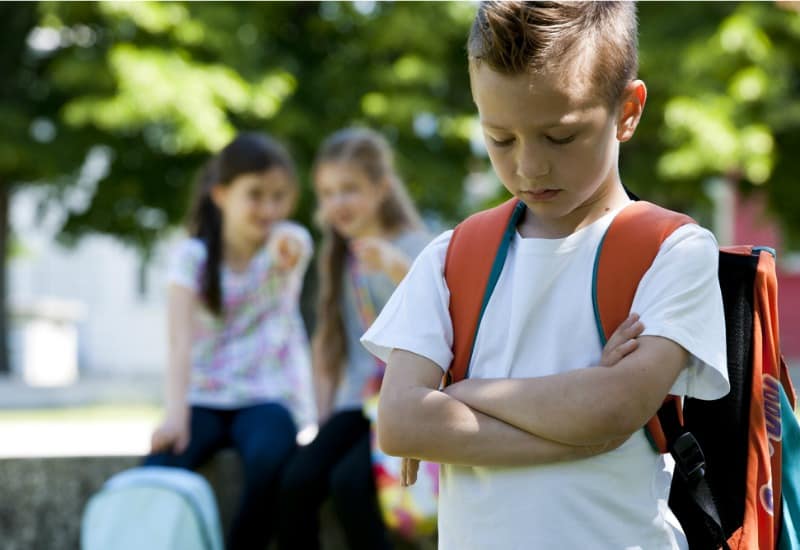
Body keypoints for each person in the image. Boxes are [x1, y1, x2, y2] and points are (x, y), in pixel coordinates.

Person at [361, 3, 730, 549]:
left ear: (627, 110)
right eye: (500, 139)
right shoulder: (452, 255)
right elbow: (401, 423)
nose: (529, 167)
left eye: (560, 137)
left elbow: (614, 408)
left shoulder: (673, 249)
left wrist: (462, 391)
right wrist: (576, 427)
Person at [146, 132, 314, 550]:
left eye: (279, 196)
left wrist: (288, 246)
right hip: (204, 396)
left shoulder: (285, 244)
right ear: (221, 194)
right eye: (254, 195)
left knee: (269, 458)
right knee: (160, 467)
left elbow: (292, 242)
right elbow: (178, 342)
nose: (268, 208)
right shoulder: (192, 257)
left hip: (266, 396)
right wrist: (174, 414)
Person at [277, 128, 431, 550]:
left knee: (350, 485)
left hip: (403, 398)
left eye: (349, 190)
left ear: (381, 188)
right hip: (356, 401)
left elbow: (443, 320)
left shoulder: (419, 247)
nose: (336, 204)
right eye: (327, 193)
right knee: (298, 479)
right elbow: (330, 344)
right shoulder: (340, 256)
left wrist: (397, 268)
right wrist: (321, 422)